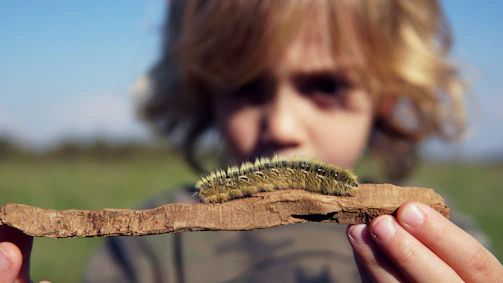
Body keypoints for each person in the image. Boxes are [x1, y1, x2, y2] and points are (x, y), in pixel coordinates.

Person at [1, 0, 502, 282]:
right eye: (246, 87)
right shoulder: (148, 259)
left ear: (386, 98)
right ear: (207, 95)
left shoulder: (434, 240)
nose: (281, 124)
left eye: (325, 85)